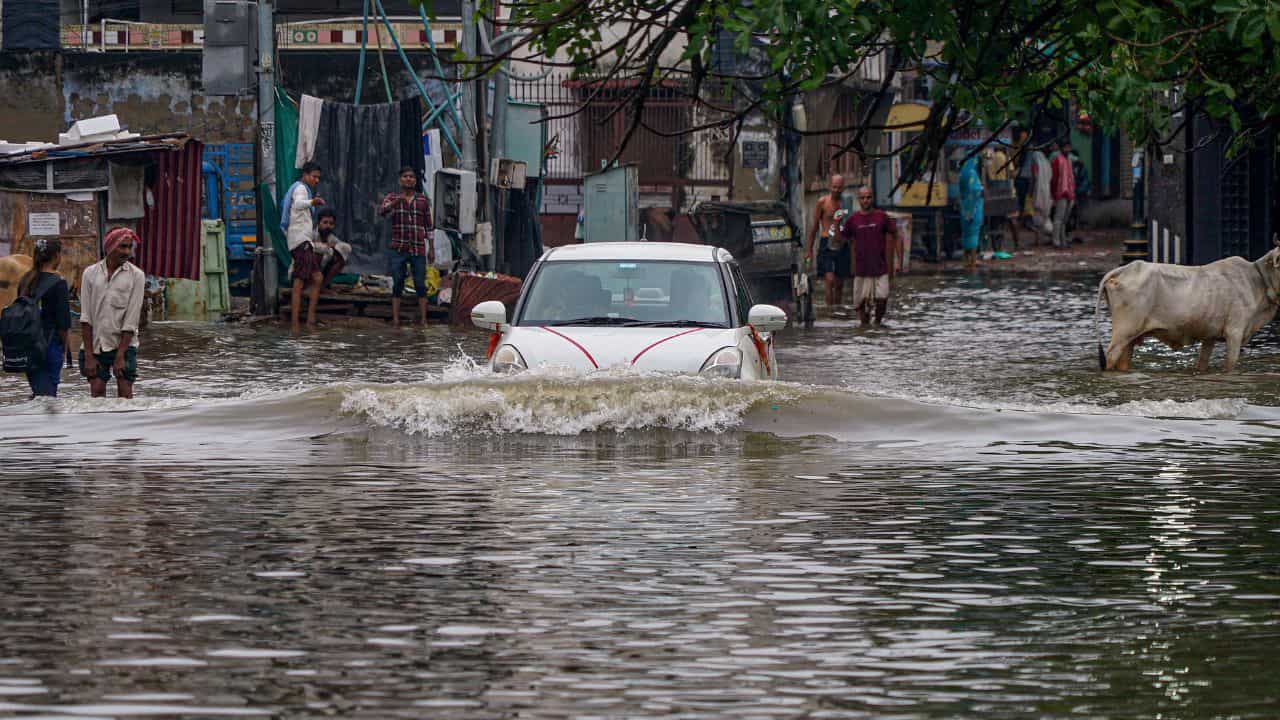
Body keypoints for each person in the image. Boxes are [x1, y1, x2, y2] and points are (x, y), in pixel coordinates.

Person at [79, 227, 145, 399]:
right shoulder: (90, 273)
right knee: (97, 392)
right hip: (96, 345)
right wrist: (88, 355)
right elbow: (86, 318)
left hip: (124, 345)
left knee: (125, 396)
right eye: (122, 247)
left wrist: (120, 355)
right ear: (109, 247)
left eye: (129, 247)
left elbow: (131, 320)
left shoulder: (137, 276)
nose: (127, 252)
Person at [379, 166, 435, 327]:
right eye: (405, 176)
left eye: (411, 176)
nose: (408, 179)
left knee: (420, 284)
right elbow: (382, 211)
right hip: (399, 248)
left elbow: (429, 227)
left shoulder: (422, 201)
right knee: (398, 283)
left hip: (418, 248)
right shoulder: (392, 197)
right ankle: (396, 320)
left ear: (415, 181)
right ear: (400, 180)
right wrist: (398, 201)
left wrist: (431, 248)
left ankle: (424, 320)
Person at [15, 239, 71, 397]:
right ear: (56, 256)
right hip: (50, 345)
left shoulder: (26, 279)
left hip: (27, 346)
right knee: (48, 398)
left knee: (39, 392)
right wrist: (64, 350)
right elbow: (63, 323)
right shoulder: (58, 283)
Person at [840, 186, 899, 327]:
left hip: (880, 267)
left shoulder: (881, 216)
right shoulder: (853, 219)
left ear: (873, 198)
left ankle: (878, 324)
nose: (866, 200)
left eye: (868, 197)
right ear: (858, 200)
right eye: (862, 197)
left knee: (882, 298)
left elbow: (896, 235)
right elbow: (842, 239)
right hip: (861, 268)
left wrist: (898, 261)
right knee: (861, 304)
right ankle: (865, 328)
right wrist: (835, 225)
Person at [282, 162, 326, 334]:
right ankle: (295, 324)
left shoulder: (302, 189)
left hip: (304, 241)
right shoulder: (300, 189)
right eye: (314, 176)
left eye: (318, 178)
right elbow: (299, 204)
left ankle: (310, 317)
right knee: (299, 282)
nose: (316, 180)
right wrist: (313, 201)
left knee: (317, 277)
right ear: (305, 175)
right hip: (300, 242)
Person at [805, 174, 851, 312]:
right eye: (834, 187)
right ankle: (830, 310)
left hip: (842, 244)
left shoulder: (846, 203)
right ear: (830, 186)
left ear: (843, 188)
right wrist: (809, 250)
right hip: (826, 243)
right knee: (829, 279)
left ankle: (837, 310)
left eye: (839, 187)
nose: (836, 190)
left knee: (839, 283)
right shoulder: (822, 202)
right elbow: (814, 228)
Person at [313, 207, 353, 290]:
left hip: (321, 271)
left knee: (340, 258)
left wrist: (335, 247)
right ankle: (310, 286)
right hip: (305, 273)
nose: (328, 226)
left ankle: (322, 287)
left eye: (331, 223)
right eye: (325, 222)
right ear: (319, 223)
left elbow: (346, 248)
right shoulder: (311, 234)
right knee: (317, 255)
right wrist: (326, 247)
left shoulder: (331, 238)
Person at [958, 155, 985, 269]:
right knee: (974, 234)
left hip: (964, 208)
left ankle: (965, 261)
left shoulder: (962, 173)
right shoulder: (972, 173)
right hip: (974, 207)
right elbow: (975, 189)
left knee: (966, 234)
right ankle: (973, 261)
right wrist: (982, 189)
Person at [1050, 140, 1077, 248]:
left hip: (1069, 192)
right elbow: (1054, 178)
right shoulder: (1057, 160)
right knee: (1058, 218)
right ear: (1061, 148)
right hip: (1060, 192)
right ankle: (1056, 241)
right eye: (1065, 147)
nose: (1067, 150)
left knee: (1065, 220)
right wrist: (1053, 194)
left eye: (1068, 147)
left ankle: (1063, 240)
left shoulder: (1069, 160)